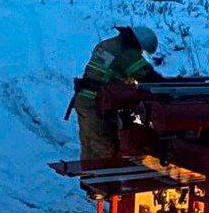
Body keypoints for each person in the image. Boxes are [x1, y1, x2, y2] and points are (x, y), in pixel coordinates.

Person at [69, 25, 162, 160]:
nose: (140, 53)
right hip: (96, 104)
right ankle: (103, 179)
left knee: (89, 146)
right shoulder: (126, 52)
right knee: (105, 148)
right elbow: (148, 77)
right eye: (141, 50)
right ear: (138, 43)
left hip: (84, 100)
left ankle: (88, 179)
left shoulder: (107, 44)